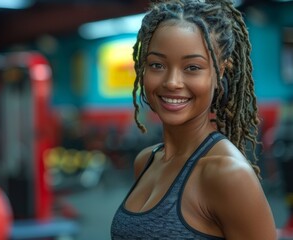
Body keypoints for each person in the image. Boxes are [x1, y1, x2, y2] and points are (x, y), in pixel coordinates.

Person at [110, 0, 277, 239]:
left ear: (220, 72)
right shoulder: (145, 161)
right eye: (157, 65)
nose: (172, 82)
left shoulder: (227, 173)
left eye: (192, 67)